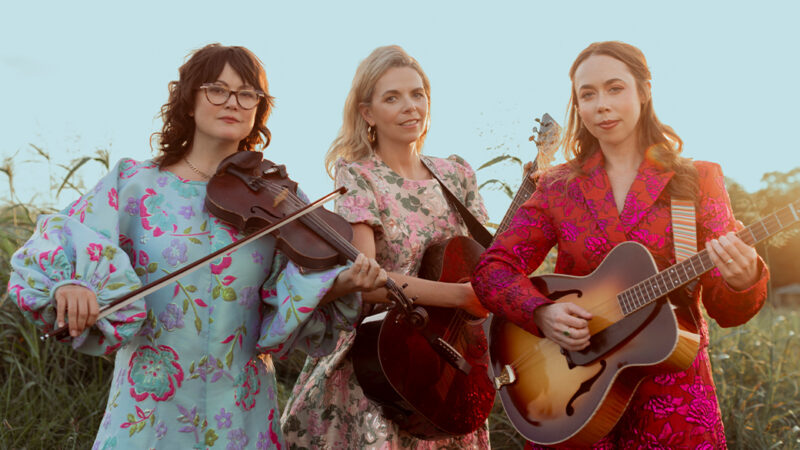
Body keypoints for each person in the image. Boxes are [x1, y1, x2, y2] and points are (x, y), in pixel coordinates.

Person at [7, 43, 387, 449]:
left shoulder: (279, 202)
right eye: (217, 89)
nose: (233, 103)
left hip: (240, 409)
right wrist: (73, 284)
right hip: (149, 407)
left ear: (259, 109)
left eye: (247, 94)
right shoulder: (134, 184)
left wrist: (342, 286)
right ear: (189, 101)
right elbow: (61, 243)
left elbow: (287, 309)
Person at [471, 40, 769, 448]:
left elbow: (726, 310)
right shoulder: (558, 186)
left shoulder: (697, 180)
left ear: (643, 91)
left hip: (676, 404)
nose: (601, 105)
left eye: (615, 89)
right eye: (587, 95)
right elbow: (493, 269)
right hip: (575, 401)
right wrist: (541, 313)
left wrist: (743, 277)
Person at [281, 45, 491, 449]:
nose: (410, 106)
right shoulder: (359, 176)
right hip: (384, 361)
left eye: (417, 93)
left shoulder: (456, 174)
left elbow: (485, 261)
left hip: (447, 364)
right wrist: (460, 295)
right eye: (392, 97)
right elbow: (372, 283)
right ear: (367, 113)